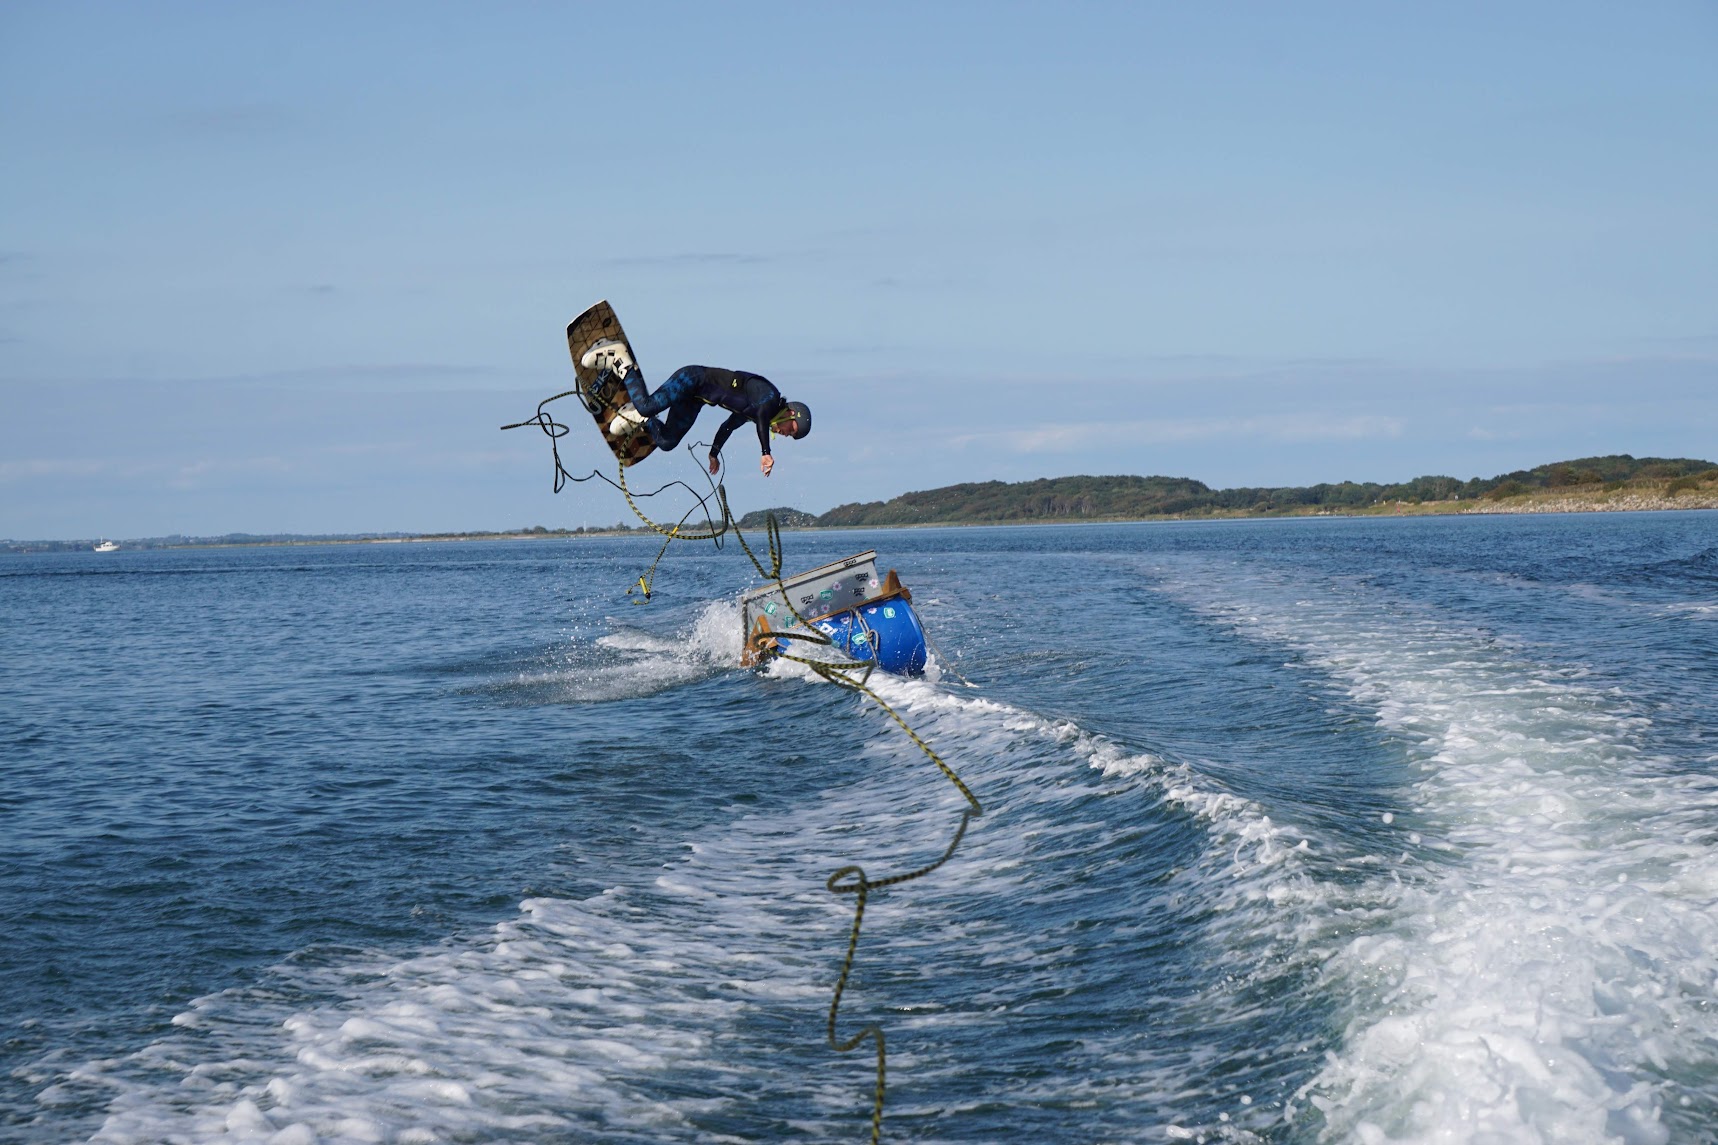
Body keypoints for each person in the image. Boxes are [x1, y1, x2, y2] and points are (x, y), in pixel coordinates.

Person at [581, 339, 810, 477]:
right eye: (791, 429)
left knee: (667, 442)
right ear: (791, 413)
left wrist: (714, 453)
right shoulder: (769, 397)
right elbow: (762, 417)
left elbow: (728, 426)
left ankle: (641, 417)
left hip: (694, 399)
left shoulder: (755, 413)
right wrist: (765, 452)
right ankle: (618, 358)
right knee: (648, 405)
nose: (786, 434)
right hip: (693, 379)